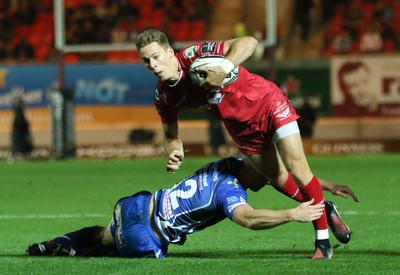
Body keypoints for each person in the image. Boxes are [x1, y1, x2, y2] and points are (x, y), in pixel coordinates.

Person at [135, 29, 357, 259]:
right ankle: (324, 207)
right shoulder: (164, 97)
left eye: (156, 56)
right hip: (241, 128)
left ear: (170, 52)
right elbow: (171, 137)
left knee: (297, 167)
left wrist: (223, 68)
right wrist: (174, 152)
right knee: (277, 178)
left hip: (267, 101)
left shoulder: (193, 56)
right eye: (146, 60)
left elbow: (249, 42)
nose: (152, 64)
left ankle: (322, 242)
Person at [26, 157, 358, 259]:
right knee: (116, 249)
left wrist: (323, 186)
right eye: (268, 176)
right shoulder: (229, 190)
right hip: (145, 234)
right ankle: (75, 256)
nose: (272, 180)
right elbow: (247, 219)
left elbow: (282, 174)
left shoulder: (226, 165)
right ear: (253, 169)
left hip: (135, 203)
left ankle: (55, 242)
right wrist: (292, 214)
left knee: (104, 233)